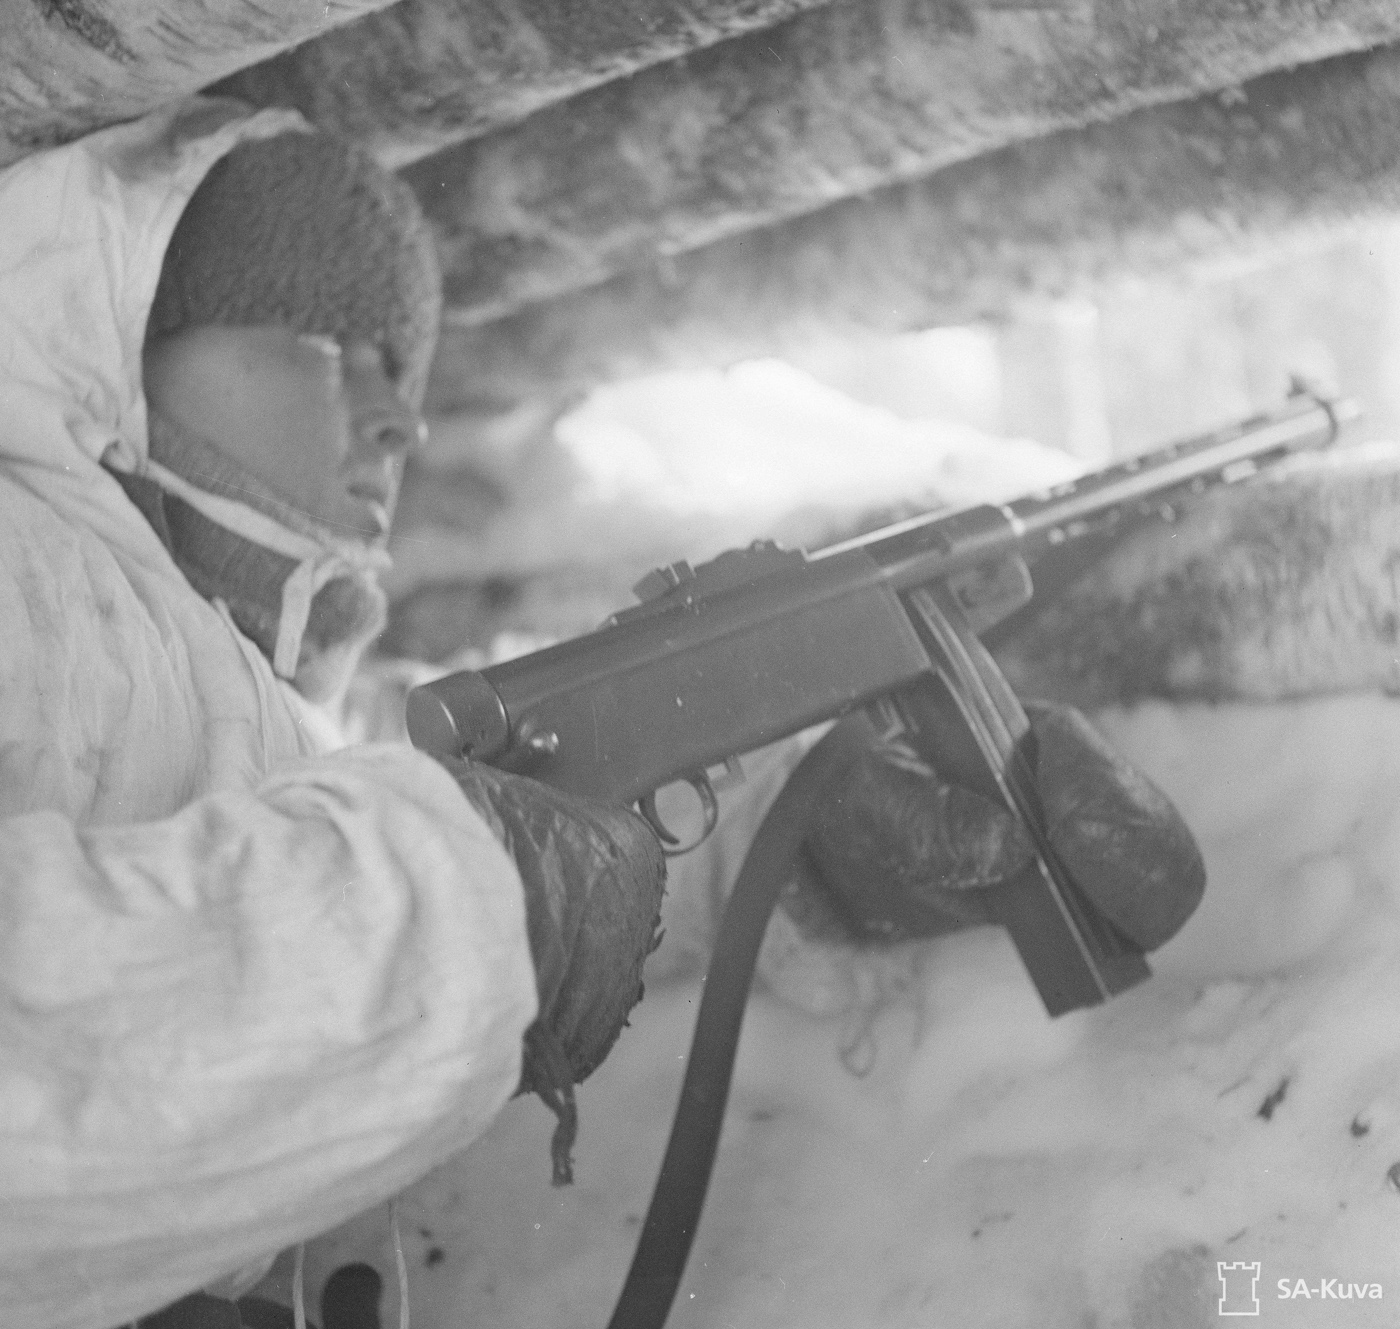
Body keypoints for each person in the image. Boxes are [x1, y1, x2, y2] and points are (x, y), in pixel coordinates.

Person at [0, 96, 1204, 1329]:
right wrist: (466, 904)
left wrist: (788, 861)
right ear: (124, 333)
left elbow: (450, 862)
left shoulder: (265, 705)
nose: (398, 416)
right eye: (326, 343)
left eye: (398, 366)